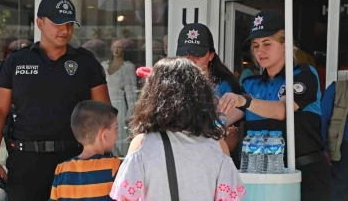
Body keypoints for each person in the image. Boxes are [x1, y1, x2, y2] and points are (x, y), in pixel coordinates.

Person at [0, 0, 110, 200]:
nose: (65, 30)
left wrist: (102, 157)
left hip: (75, 159)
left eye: (70, 24)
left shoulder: (86, 63)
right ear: (40, 23)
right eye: (58, 23)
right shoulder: (16, 62)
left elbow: (104, 113)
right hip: (26, 163)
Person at [219, 9, 331, 201]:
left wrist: (244, 101)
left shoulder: (303, 74)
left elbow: (282, 111)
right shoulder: (250, 83)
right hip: (263, 176)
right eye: (255, 46)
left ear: (286, 44)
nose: (260, 51)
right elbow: (227, 117)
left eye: (267, 44)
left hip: (306, 175)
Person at [110, 57, 245, 201]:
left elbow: (125, 198)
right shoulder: (218, 146)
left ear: (153, 96)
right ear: (201, 97)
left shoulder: (142, 144)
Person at [136, 23, 242, 166]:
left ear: (211, 55)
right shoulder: (169, 80)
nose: (191, 60)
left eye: (197, 54)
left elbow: (235, 119)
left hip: (213, 155)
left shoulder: (225, 85)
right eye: (185, 54)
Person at [49, 100, 121, 201]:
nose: (118, 134)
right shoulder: (115, 166)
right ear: (104, 135)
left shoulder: (61, 170)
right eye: (116, 128)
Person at [101, 39, 137, 157]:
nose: (116, 50)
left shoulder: (128, 67)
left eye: (120, 47)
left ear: (124, 50)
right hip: (104, 104)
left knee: (119, 131)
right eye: (114, 46)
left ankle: (122, 158)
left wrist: (130, 112)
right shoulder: (104, 66)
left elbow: (131, 92)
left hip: (119, 104)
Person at [321, 78, 348, 201]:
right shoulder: (337, 88)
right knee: (338, 191)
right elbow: (321, 121)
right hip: (342, 148)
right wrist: (323, 148)